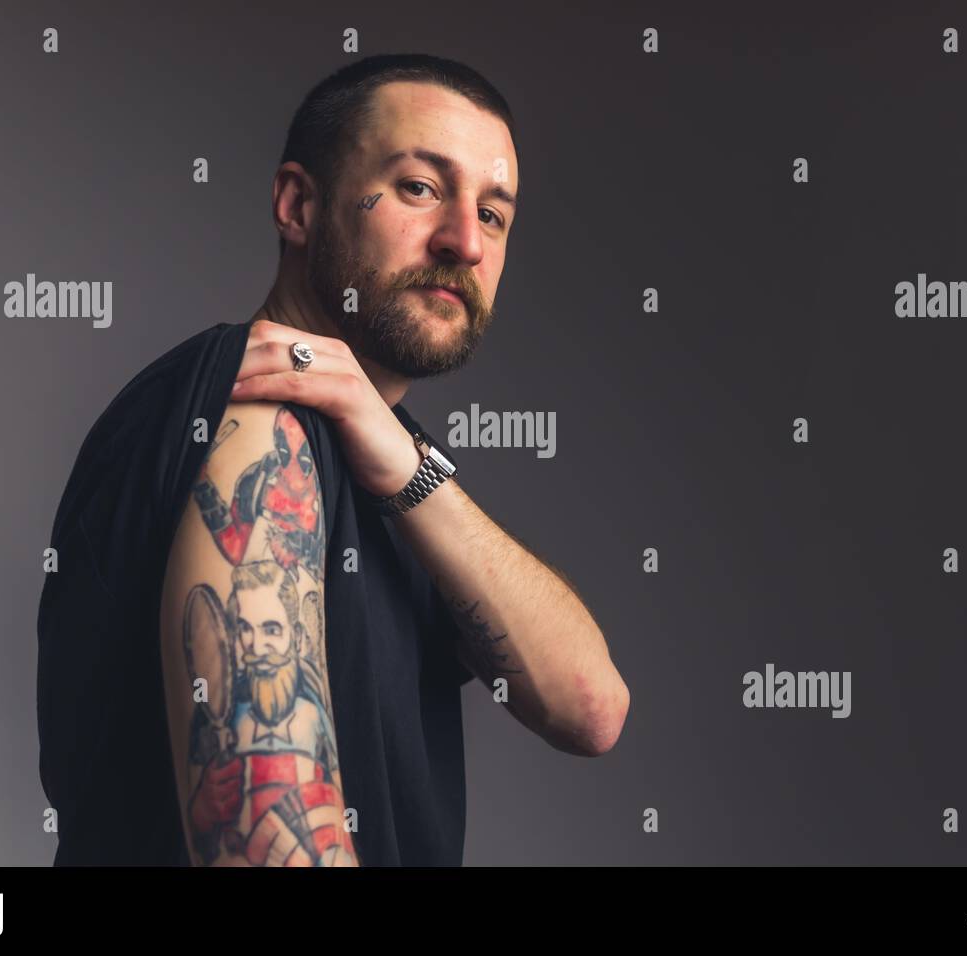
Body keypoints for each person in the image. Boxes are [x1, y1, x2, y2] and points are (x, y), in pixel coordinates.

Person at [37, 53, 629, 868]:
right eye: (421, 187)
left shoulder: (386, 457)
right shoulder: (253, 410)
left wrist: (405, 465)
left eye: (493, 215)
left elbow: (591, 709)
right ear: (298, 205)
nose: (464, 239)